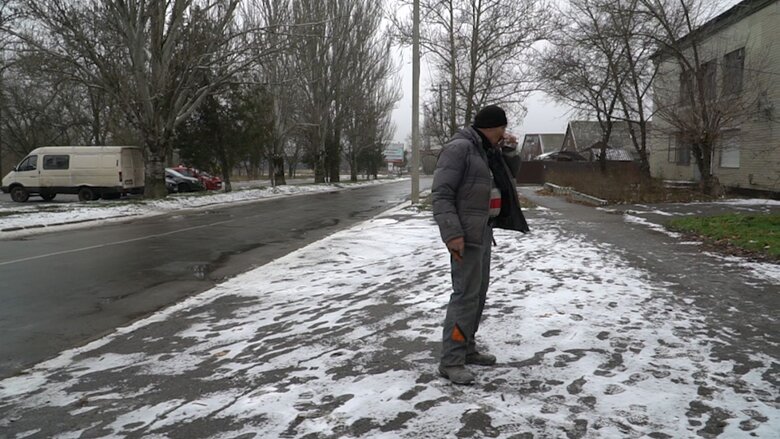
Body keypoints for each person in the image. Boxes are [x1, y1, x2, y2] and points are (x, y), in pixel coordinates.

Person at [432, 104, 529, 385]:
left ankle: (467, 347)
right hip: (465, 234)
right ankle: (451, 361)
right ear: (493, 127)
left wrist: (509, 150)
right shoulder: (460, 148)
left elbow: (508, 178)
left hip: (483, 231)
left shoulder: (485, 149)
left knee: (478, 294)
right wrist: (452, 234)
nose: (505, 133)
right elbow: (441, 194)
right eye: (503, 129)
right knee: (464, 296)